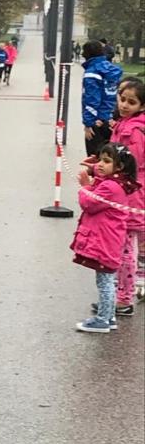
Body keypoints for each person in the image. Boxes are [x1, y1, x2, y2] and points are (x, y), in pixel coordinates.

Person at [72, 143, 139, 333]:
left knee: (105, 281)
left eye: (106, 161)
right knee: (106, 279)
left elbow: (89, 203)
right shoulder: (117, 182)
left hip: (104, 239)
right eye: (101, 160)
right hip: (109, 237)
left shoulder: (110, 186)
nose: (101, 164)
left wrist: (85, 186)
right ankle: (108, 316)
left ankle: (102, 319)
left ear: (119, 167)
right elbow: (103, 178)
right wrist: (94, 168)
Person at [109, 77, 145, 314]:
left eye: (131, 102)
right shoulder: (123, 124)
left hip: (131, 192)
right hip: (127, 189)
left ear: (142, 106)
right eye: (122, 99)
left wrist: (104, 170)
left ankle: (124, 298)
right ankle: (128, 288)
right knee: (132, 244)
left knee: (125, 247)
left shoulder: (133, 131)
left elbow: (131, 163)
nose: (124, 105)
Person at [80, 40, 122, 157]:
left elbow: (92, 100)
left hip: (97, 121)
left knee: (95, 157)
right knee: (112, 157)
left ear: (87, 54)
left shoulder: (91, 73)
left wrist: (88, 123)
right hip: (113, 119)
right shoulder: (112, 70)